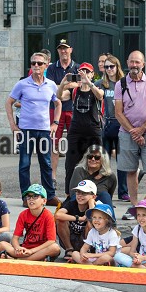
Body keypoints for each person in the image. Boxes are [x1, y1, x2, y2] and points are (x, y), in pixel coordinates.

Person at [7, 51, 61, 201]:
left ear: (45, 65)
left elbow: (58, 103)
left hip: (44, 130)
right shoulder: (22, 84)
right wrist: (12, 124)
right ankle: (26, 197)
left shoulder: (50, 85)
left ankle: (49, 196)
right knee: (25, 164)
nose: (36, 66)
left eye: (39, 63)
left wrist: (55, 123)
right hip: (26, 130)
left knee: (46, 163)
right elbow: (9, 102)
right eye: (33, 63)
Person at [114, 51, 146, 217]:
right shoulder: (120, 83)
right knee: (130, 170)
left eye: (137, 62)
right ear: (127, 62)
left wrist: (141, 129)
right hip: (127, 134)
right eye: (132, 62)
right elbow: (118, 113)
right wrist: (134, 132)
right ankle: (134, 205)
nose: (134, 65)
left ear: (143, 63)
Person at [59, 62, 106, 194]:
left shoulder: (97, 88)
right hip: (76, 132)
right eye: (81, 71)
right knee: (70, 163)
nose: (84, 74)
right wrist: (63, 84)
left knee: (97, 162)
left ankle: (97, 192)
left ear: (92, 74)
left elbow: (100, 96)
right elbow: (59, 97)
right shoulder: (74, 91)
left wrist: (89, 83)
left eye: (87, 72)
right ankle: (69, 193)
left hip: (93, 131)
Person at [0, 184, 62, 262]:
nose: (31, 199)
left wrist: (32, 251)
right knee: (2, 244)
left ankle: (18, 259)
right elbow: (15, 238)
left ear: (44, 201)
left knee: (55, 248)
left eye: (35, 196)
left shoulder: (48, 216)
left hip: (40, 249)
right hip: (26, 248)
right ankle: (31, 259)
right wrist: (18, 248)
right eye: (29, 197)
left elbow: (51, 240)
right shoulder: (23, 214)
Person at [96, 54, 125, 200]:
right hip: (107, 123)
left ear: (117, 66)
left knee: (122, 159)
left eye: (111, 66)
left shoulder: (124, 83)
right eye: (106, 67)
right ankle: (105, 191)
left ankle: (123, 191)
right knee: (105, 160)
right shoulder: (101, 83)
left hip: (121, 123)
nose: (108, 69)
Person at [45, 38, 79, 144]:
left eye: (65, 48)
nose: (63, 51)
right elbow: (50, 87)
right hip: (54, 108)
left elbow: (79, 84)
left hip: (72, 108)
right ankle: (54, 158)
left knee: (74, 139)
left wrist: (60, 87)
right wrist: (68, 86)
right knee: (54, 139)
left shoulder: (77, 68)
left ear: (71, 50)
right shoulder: (52, 68)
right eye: (60, 49)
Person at [55, 178, 101, 254]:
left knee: (90, 223)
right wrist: (80, 218)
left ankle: (87, 250)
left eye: (84, 193)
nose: (80, 196)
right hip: (72, 238)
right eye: (78, 192)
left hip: (88, 242)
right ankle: (69, 250)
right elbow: (58, 215)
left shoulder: (99, 205)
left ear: (93, 196)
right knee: (61, 220)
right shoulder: (72, 203)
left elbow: (94, 221)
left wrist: (91, 203)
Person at [69, 201, 122, 266]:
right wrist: (83, 254)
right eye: (94, 217)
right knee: (74, 253)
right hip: (96, 258)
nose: (96, 220)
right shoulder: (92, 231)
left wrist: (92, 255)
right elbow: (84, 247)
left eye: (100, 218)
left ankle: (89, 266)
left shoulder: (112, 233)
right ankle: (91, 266)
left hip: (109, 259)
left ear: (107, 220)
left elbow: (112, 253)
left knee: (106, 258)